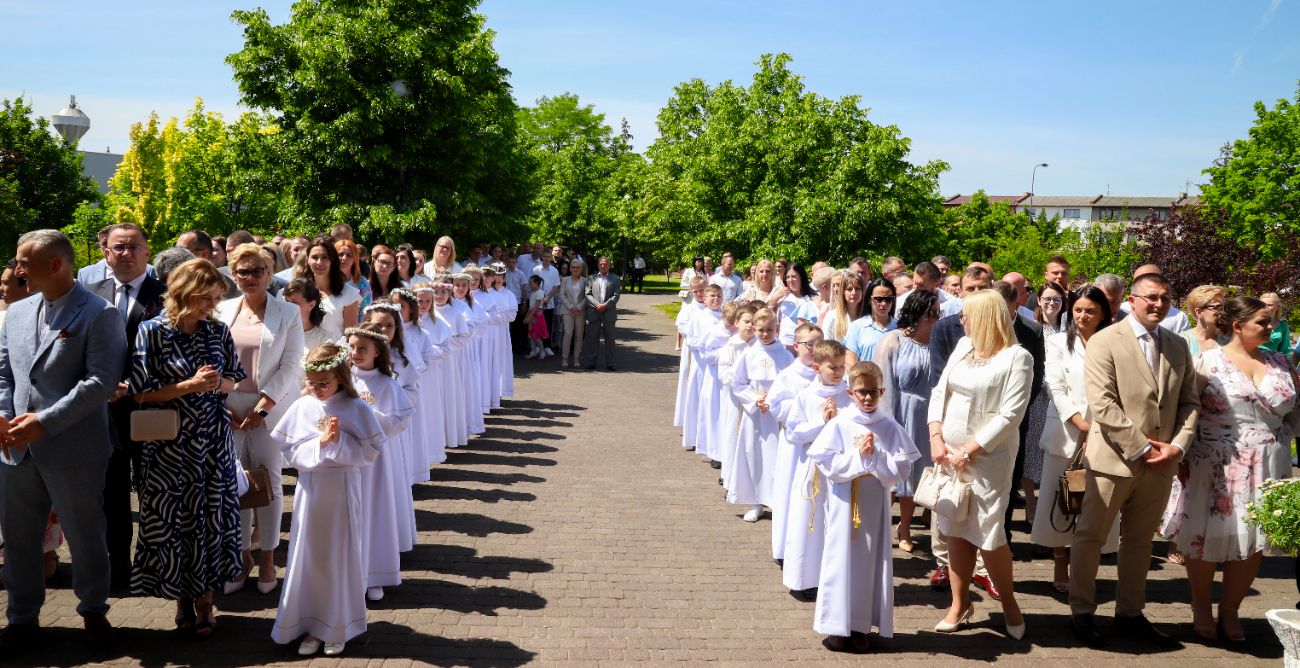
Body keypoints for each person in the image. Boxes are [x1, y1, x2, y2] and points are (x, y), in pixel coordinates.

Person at [0, 230, 126, 656]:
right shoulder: (15, 313)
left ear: (56, 265)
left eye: (23, 262)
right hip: (15, 447)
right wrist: (2, 416)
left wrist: (46, 422)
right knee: (18, 536)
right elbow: (4, 374)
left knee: (84, 532)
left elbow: (100, 382)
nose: (17, 270)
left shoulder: (99, 313)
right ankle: (21, 616)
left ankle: (92, 609)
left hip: (74, 447)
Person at [1069, 272, 1200, 649]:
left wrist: (1177, 446)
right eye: (1150, 297)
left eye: (1164, 297)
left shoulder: (1177, 344)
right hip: (1113, 460)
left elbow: (1189, 403)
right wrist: (1142, 448)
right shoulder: (1104, 340)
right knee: (1091, 536)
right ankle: (1081, 610)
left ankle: (1130, 612)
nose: (1158, 304)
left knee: (1140, 542)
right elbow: (1103, 404)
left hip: (1162, 463)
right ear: (1132, 300)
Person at [129, 258, 246, 637]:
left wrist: (215, 384)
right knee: (176, 521)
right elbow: (140, 394)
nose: (211, 306)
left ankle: (206, 600)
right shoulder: (152, 332)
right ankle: (181, 595)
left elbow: (235, 381)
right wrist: (187, 387)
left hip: (212, 443)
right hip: (168, 447)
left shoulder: (217, 330)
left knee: (212, 519)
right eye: (205, 299)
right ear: (184, 293)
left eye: (215, 299)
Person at [1172, 297, 1300, 642]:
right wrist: (1178, 455)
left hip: (1270, 462)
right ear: (1238, 326)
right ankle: (1200, 606)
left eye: (1271, 321)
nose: (1271, 328)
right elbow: (1187, 411)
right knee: (1204, 536)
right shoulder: (1207, 362)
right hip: (1215, 461)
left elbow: (1295, 414)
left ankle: (1230, 610)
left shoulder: (1281, 362)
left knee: (1253, 542)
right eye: (1263, 322)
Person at [927, 289, 1033, 640]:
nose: (962, 321)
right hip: (948, 456)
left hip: (988, 460)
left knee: (989, 534)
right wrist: (935, 437)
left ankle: (1010, 604)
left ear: (987, 317)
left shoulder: (1018, 358)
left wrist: (969, 451)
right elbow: (940, 392)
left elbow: (1010, 415)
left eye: (968, 315)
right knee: (954, 527)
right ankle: (959, 605)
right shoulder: (962, 347)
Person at [269, 343, 383, 656]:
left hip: (342, 488)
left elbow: (371, 451)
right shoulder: (303, 406)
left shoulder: (356, 408)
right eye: (313, 383)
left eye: (325, 384)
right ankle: (309, 625)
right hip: (311, 489)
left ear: (341, 379)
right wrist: (319, 443)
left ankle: (337, 626)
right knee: (309, 555)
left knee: (337, 556)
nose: (318, 390)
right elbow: (290, 451)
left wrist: (339, 442)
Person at [78, 223, 164, 593]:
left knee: (155, 494)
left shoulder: (166, 293)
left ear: (147, 251)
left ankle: (158, 568)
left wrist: (137, 383)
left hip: (150, 408)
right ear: (105, 252)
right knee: (111, 497)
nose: (126, 254)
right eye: (118, 248)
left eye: (133, 247)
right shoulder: (88, 293)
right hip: (102, 412)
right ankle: (118, 570)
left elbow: (174, 349)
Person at [811, 361, 919, 653]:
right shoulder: (840, 424)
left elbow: (902, 467)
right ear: (850, 392)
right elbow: (825, 462)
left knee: (870, 563)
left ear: (882, 391)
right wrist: (858, 459)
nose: (868, 398)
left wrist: (877, 459)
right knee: (840, 560)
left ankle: (860, 626)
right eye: (861, 392)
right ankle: (836, 626)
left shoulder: (888, 426)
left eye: (873, 392)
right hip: (845, 503)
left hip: (873, 508)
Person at [215, 244, 304, 596]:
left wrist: (263, 407)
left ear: (270, 273)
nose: (250, 277)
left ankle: (267, 557)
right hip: (228, 411)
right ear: (233, 275)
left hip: (269, 411)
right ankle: (240, 556)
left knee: (267, 485)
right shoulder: (221, 311)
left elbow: (292, 363)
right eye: (242, 271)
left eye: (257, 270)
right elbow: (210, 359)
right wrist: (220, 404)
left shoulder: (288, 313)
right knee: (235, 485)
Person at [1030, 285, 1118, 593]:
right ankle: (1059, 562)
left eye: (1091, 311)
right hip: (1068, 434)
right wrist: (1081, 425)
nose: (1083, 316)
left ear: (1103, 314)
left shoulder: (1114, 343)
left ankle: (1085, 565)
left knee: (1095, 504)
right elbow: (1055, 386)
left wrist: (1098, 428)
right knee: (1067, 500)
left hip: (1106, 435)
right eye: (1078, 310)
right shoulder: (1057, 343)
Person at [345, 326, 412, 602]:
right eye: (351, 347)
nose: (355, 353)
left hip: (375, 460)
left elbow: (400, 421)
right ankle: (348, 574)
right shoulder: (342, 378)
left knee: (374, 511)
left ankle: (374, 574)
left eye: (362, 348)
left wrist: (368, 414)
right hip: (346, 456)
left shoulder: (387, 384)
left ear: (377, 352)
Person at [780, 340, 850, 599]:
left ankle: (833, 578)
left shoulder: (849, 395)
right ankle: (804, 577)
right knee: (808, 521)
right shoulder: (806, 397)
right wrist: (822, 421)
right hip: (812, 468)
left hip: (841, 469)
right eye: (833, 367)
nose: (839, 372)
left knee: (834, 522)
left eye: (842, 367)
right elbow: (794, 432)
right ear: (817, 366)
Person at [873, 289, 939, 554]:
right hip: (900, 410)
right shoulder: (894, 340)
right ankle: (879, 526)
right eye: (930, 313)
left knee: (918, 474)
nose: (934, 318)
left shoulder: (939, 342)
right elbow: (882, 380)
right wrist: (886, 421)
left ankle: (906, 527)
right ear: (916, 312)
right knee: (893, 475)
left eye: (937, 313)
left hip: (928, 414)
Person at [727, 308, 794, 522]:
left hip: (775, 415)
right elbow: (738, 383)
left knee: (775, 457)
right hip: (754, 414)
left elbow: (790, 385)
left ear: (777, 329)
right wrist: (755, 398)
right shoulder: (749, 353)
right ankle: (755, 501)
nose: (765, 334)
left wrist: (772, 400)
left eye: (769, 330)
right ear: (754, 329)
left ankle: (776, 500)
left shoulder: (784, 355)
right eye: (761, 330)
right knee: (753, 455)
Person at [766, 323, 824, 562]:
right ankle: (784, 549)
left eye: (819, 344)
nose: (814, 349)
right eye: (809, 345)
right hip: (796, 447)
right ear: (796, 346)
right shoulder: (788, 376)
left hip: (821, 445)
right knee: (790, 494)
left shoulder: (826, 374)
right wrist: (810, 410)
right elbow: (776, 407)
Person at [294, 238, 361, 334]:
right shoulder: (298, 292)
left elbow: (350, 336)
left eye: (324, 257)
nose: (319, 262)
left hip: (334, 348)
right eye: (315, 257)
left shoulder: (349, 294)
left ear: (332, 259)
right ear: (308, 259)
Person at [843, 277, 896, 366]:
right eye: (878, 299)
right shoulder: (856, 327)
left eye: (888, 299)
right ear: (869, 300)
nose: (883, 304)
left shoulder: (900, 327)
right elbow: (850, 362)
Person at [583, 257, 621, 371]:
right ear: (598, 265)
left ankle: (611, 363)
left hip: (609, 312)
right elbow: (587, 294)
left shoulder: (615, 279)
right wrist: (597, 305)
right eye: (601, 264)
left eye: (605, 264)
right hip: (594, 312)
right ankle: (591, 362)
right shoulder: (591, 278)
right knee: (592, 338)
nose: (603, 266)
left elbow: (616, 295)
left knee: (610, 339)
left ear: (609, 265)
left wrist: (605, 305)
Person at [283, 279, 338, 353]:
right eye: (286, 302)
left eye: (294, 304)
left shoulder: (325, 340)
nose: (288, 307)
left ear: (311, 305)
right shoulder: (278, 334)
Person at [1180, 285, 1228, 357]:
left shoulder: (1229, 341)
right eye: (1218, 307)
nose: (1223, 311)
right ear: (1199, 312)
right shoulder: (1182, 342)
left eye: (1225, 307)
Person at [556, 258, 587, 368]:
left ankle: (576, 358)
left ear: (581, 269)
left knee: (579, 335)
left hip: (580, 311)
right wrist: (570, 307)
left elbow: (587, 296)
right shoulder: (565, 280)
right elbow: (562, 294)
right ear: (570, 268)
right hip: (567, 310)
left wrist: (578, 307)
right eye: (573, 267)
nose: (575, 269)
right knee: (568, 333)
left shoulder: (585, 281)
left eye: (578, 267)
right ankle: (564, 358)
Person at [821, 269, 865, 344]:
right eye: (849, 289)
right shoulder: (832, 316)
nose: (854, 293)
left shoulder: (868, 316)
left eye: (857, 289)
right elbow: (826, 346)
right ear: (843, 292)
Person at [531, 250, 561, 356]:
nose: (547, 258)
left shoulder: (554, 271)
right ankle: (539, 347)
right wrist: (540, 298)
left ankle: (547, 347)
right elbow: (533, 285)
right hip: (538, 302)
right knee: (537, 325)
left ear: (551, 257)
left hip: (549, 302)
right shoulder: (536, 269)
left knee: (548, 325)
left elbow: (556, 286)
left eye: (549, 256)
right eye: (545, 256)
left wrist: (547, 298)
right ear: (542, 257)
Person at [334, 240, 372, 310]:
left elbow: (366, 311)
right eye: (340, 254)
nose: (344, 258)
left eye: (349, 255)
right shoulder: (326, 280)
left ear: (355, 259)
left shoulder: (362, 283)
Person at [524, 275, 549, 359]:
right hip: (532, 315)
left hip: (537, 316)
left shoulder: (540, 292)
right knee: (531, 335)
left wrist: (529, 317)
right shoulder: (532, 293)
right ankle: (533, 351)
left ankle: (542, 352)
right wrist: (527, 317)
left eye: (531, 282)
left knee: (537, 335)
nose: (529, 284)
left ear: (536, 283)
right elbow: (531, 307)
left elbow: (536, 307)